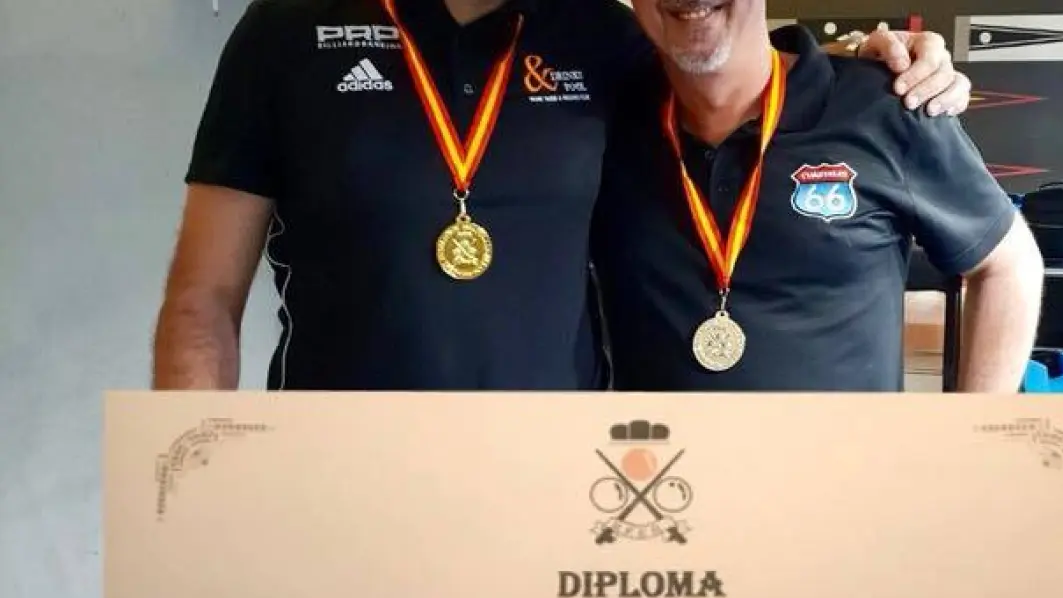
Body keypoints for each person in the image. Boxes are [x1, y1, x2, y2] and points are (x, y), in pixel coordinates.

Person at [152, 0, 971, 391]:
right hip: (340, 476)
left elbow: (732, 83)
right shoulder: (285, 31)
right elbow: (201, 302)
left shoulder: (602, 35)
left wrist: (876, 66)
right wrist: (197, 491)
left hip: (558, 487)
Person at [591, 0, 1044, 392]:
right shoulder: (602, 124)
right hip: (663, 463)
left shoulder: (885, 105)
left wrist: (975, 435)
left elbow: (1007, 264)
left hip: (849, 466)